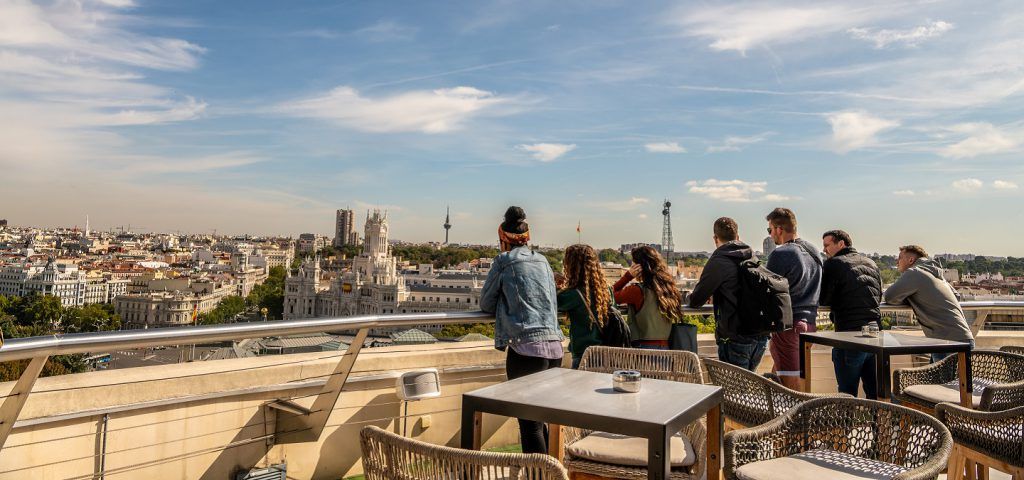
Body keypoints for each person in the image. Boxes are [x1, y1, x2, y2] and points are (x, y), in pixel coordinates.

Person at [479, 206, 564, 454]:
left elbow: (486, 302)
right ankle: (549, 471)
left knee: (529, 424)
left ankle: (537, 474)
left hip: (525, 349)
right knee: (540, 420)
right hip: (554, 348)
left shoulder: (504, 261)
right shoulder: (544, 260)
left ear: (503, 238)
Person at [688, 217, 768, 371]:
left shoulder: (719, 260)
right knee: (748, 388)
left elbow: (696, 300)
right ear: (737, 237)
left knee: (734, 390)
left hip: (735, 336)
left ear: (715, 238)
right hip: (760, 335)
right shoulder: (752, 256)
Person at [884, 245, 974, 363]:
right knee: (950, 381)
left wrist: (908, 297)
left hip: (946, 341)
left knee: (942, 382)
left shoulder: (915, 273)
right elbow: (956, 296)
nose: (897, 261)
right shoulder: (936, 274)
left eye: (900, 258)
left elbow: (889, 296)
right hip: (962, 337)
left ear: (911, 260)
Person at [765, 208, 822, 390]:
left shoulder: (781, 254)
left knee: (791, 387)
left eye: (770, 230)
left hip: (789, 326)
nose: (771, 234)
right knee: (781, 376)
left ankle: (794, 418)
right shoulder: (813, 251)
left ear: (779, 229)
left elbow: (766, 290)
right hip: (810, 324)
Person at [820, 229, 882, 399]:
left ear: (841, 244)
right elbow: (878, 297)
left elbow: (824, 299)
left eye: (827, 245)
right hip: (875, 336)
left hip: (849, 335)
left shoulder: (834, 264)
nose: (825, 250)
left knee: (847, 394)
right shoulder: (871, 263)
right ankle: (880, 426)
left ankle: (846, 426)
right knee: (875, 392)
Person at [613, 245, 683, 349]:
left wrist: (628, 276)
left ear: (639, 267)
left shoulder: (637, 291)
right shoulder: (669, 290)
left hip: (643, 348)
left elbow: (609, 295)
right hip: (666, 348)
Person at [556, 244, 609, 369]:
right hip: (607, 352)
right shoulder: (606, 290)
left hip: (583, 354)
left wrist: (554, 284)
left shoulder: (574, 294)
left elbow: (550, 302)